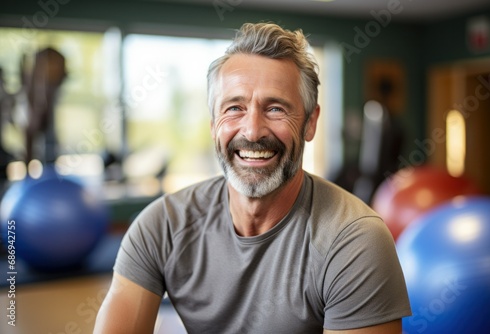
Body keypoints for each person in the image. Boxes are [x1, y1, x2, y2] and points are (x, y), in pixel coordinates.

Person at [94, 22, 411, 333]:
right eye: (234, 108)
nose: (252, 131)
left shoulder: (355, 240)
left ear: (311, 123)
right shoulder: (161, 226)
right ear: (213, 123)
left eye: (275, 109)